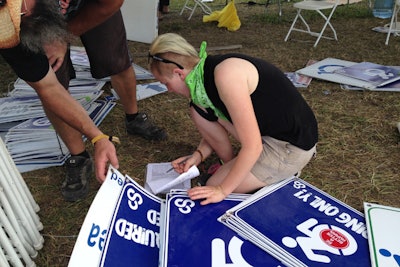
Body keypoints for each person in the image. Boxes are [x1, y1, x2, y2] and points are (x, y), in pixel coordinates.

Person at [148, 33, 318, 205]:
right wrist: (198, 155)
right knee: (198, 109)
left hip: (290, 147)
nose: (168, 90)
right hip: (268, 135)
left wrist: (222, 190)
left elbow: (253, 147)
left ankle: (282, 174)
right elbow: (216, 115)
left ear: (178, 73)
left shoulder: (226, 76)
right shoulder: (206, 74)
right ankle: (239, 167)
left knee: (215, 184)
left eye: (165, 83)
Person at [0, 0, 120, 201]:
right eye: (15, 14)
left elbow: (112, 2)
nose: (17, 14)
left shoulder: (18, 24)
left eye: (20, 11)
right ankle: (79, 156)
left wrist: (97, 137)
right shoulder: (8, 33)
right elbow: (47, 87)